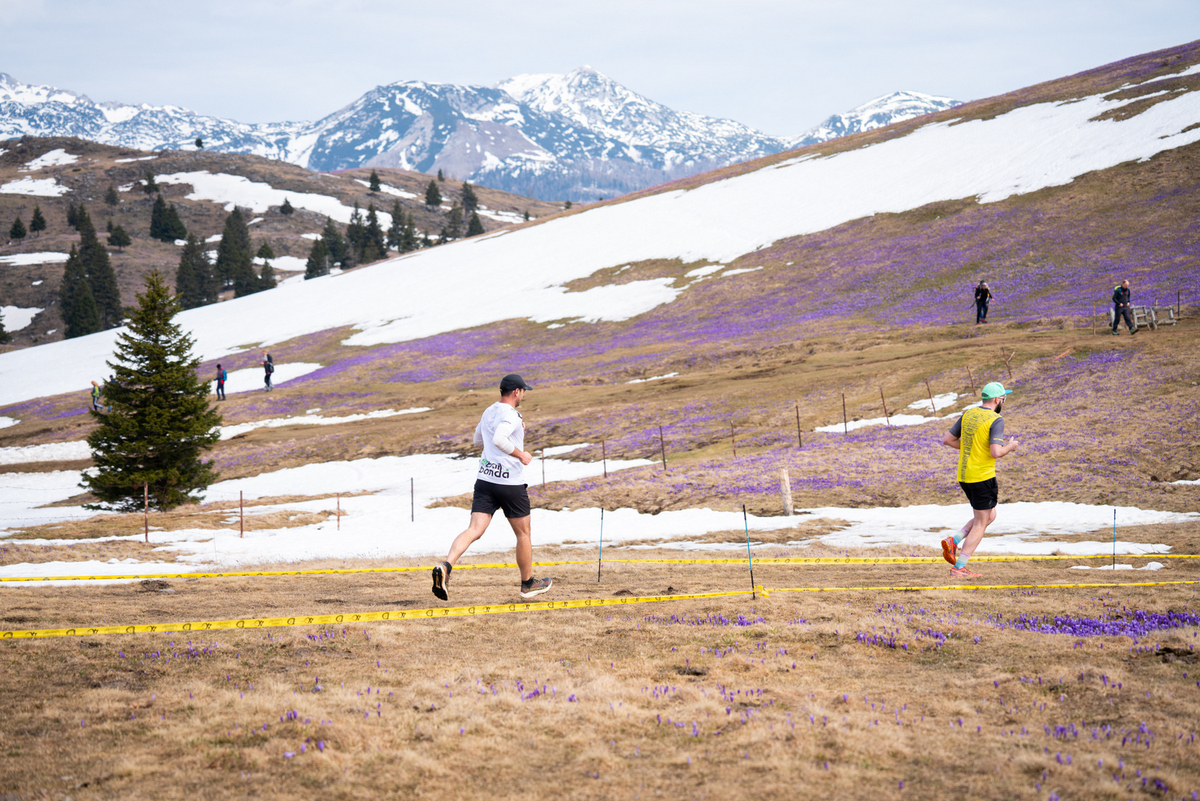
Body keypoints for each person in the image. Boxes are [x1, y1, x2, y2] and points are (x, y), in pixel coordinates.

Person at [432, 373, 553, 601]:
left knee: (474, 530)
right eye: (523, 391)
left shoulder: (489, 411)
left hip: (485, 480)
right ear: (516, 392)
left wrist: (512, 436)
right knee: (523, 533)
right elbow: (498, 439)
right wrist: (521, 454)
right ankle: (527, 584)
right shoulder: (512, 415)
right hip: (509, 483)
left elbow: (479, 440)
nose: (523, 395)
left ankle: (446, 567)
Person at [940, 382, 1020, 578]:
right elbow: (996, 452)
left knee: (989, 516)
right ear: (997, 399)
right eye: (1003, 398)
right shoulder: (996, 420)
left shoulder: (968, 414)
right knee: (981, 523)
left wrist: (973, 447)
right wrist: (1010, 447)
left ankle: (954, 540)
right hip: (982, 477)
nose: (1003, 402)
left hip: (964, 475)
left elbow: (948, 440)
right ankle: (959, 568)